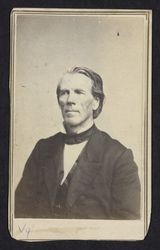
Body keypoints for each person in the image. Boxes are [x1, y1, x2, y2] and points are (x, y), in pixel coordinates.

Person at [15, 66, 141, 219]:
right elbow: (19, 212)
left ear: (96, 101)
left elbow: (126, 225)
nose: (70, 100)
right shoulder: (43, 149)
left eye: (79, 92)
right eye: (64, 93)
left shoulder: (118, 157)